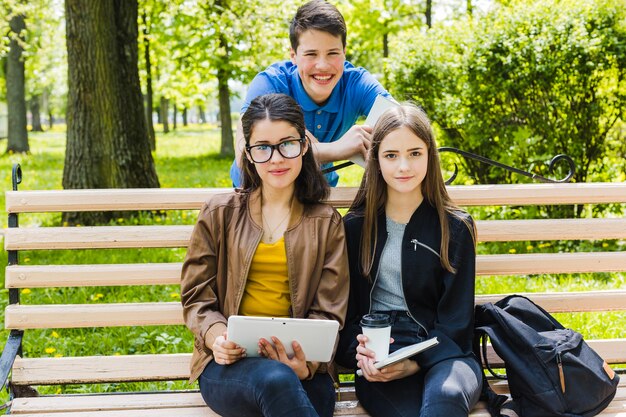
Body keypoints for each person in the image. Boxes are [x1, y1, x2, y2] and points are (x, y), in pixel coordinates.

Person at [181, 93, 349, 417]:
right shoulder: (220, 213)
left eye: (287, 144)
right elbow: (196, 296)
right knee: (275, 381)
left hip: (302, 368)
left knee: (288, 386)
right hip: (229, 366)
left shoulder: (327, 223)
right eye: (263, 147)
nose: (276, 159)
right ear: (248, 153)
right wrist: (217, 337)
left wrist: (306, 364)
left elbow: (330, 310)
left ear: (304, 146)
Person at [336, 104, 482, 417]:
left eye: (415, 153)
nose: (404, 166)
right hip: (382, 356)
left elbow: (457, 323)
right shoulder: (355, 227)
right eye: (391, 155)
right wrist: (361, 354)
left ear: (430, 155)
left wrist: (415, 362)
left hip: (446, 354)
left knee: (445, 400)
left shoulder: (455, 227)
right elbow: (346, 318)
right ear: (375, 159)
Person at [230, 0, 392, 188]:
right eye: (311, 54)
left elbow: (403, 123)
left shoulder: (357, 83)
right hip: (257, 192)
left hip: (317, 192)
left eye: (333, 53)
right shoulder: (270, 82)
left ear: (344, 53)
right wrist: (335, 149)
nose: (323, 65)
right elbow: (245, 152)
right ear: (294, 56)